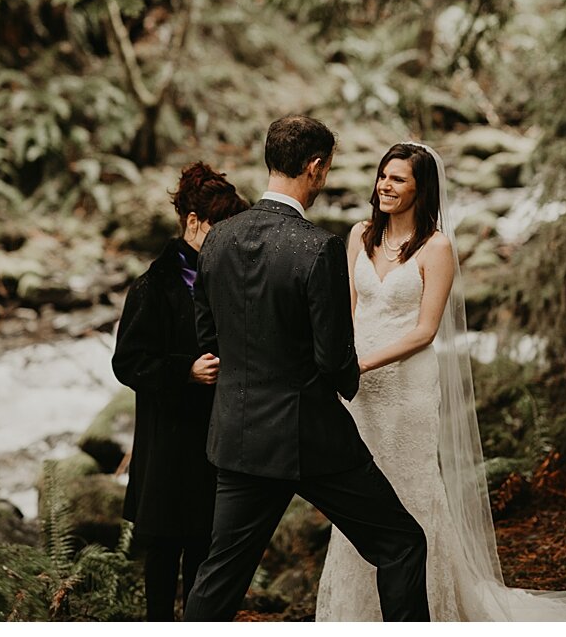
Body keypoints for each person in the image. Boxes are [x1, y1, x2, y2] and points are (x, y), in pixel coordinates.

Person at [316, 142, 566, 621]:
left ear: (422, 189)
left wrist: (360, 363)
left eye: (398, 179)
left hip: (405, 384)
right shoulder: (359, 235)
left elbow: (424, 331)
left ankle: (432, 611)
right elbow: (349, 311)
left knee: (408, 491)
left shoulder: (435, 246)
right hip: (360, 387)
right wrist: (342, 363)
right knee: (358, 493)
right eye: (383, 175)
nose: (385, 184)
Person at [184, 116, 431, 621]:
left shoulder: (217, 240)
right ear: (315, 169)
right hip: (312, 440)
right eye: (326, 169)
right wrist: (347, 380)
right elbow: (333, 358)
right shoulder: (316, 248)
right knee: (402, 544)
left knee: (220, 576)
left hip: (239, 437)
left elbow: (209, 339)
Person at [111, 163, 249, 620]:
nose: (226, 242)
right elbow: (127, 362)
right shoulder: (152, 287)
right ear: (193, 223)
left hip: (215, 439)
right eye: (219, 230)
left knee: (205, 551)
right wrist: (184, 371)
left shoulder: (226, 280)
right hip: (168, 442)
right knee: (164, 553)